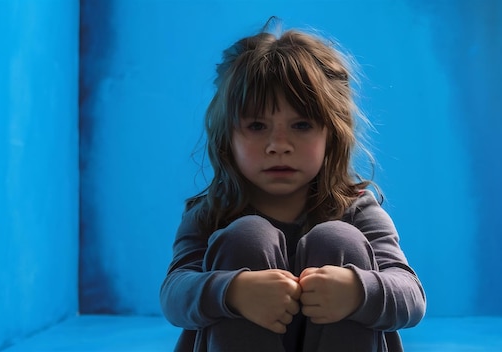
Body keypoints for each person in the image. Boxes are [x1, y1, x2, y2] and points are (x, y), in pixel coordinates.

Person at [159, 18, 426, 352]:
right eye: (257, 126)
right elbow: (173, 295)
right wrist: (233, 291)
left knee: (338, 238)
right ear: (228, 136)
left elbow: (412, 296)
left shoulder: (357, 210)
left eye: (301, 125)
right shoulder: (211, 212)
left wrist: (359, 291)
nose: (279, 145)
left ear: (332, 135)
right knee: (247, 235)